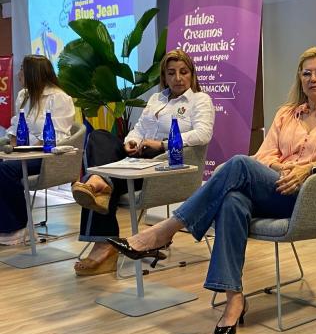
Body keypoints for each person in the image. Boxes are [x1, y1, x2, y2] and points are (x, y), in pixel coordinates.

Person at [108, 46, 316, 334]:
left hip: (306, 198)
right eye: (306, 73)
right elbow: (264, 155)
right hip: (275, 187)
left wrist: (308, 169)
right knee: (232, 200)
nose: (313, 78)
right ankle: (234, 298)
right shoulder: (286, 114)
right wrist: (281, 167)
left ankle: (165, 231)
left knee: (239, 164)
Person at [72, 49, 214, 276]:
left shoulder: (200, 100)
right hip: (138, 158)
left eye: (183, 72)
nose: (178, 78)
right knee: (99, 137)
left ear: (192, 74)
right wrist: (131, 141)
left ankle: (102, 239)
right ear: (164, 77)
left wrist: (162, 145)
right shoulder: (157, 99)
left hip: (167, 164)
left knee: (100, 188)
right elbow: (138, 129)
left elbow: (202, 135)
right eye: (171, 73)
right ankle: (99, 181)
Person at [0, 55, 75, 245]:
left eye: (22, 70)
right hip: (24, 154)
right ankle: (5, 223)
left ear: (33, 74)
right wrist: (12, 147)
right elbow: (16, 127)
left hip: (48, 157)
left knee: (6, 170)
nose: (18, 74)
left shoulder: (60, 98)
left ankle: (17, 227)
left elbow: (56, 136)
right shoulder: (24, 95)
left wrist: (24, 152)